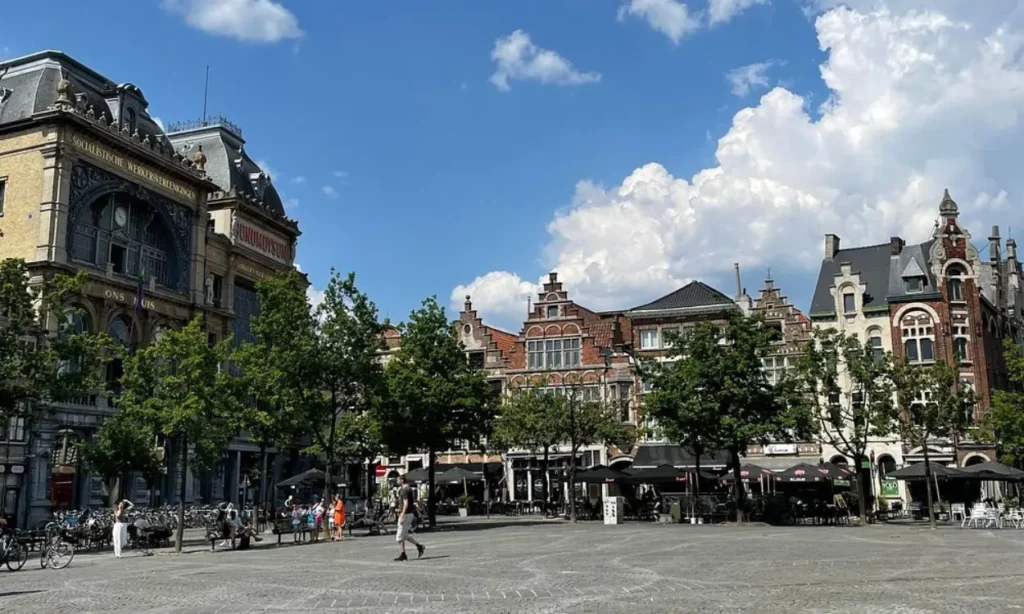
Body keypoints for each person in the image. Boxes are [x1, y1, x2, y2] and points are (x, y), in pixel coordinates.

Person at [394, 474, 425, 561]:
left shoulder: (405, 490)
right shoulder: (408, 488)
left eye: (398, 480)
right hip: (409, 513)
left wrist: (402, 514)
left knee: (399, 536)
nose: (397, 481)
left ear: (402, 480)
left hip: (406, 514)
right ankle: (419, 546)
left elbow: (406, 503)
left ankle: (403, 554)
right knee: (404, 535)